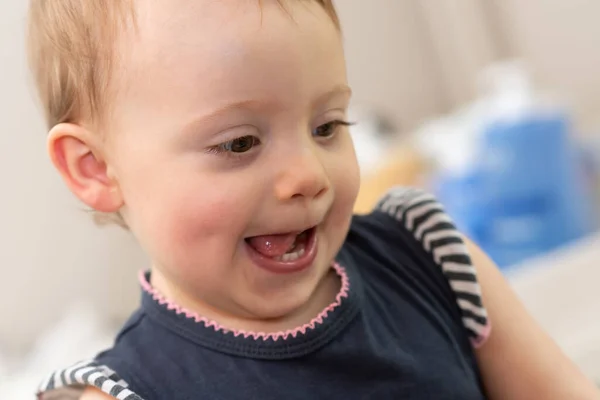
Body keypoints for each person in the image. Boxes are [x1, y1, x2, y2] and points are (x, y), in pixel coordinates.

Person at [28, 1, 599, 399]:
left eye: (327, 125)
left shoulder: (434, 261)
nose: (308, 175)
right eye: (240, 143)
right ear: (97, 169)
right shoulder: (123, 393)